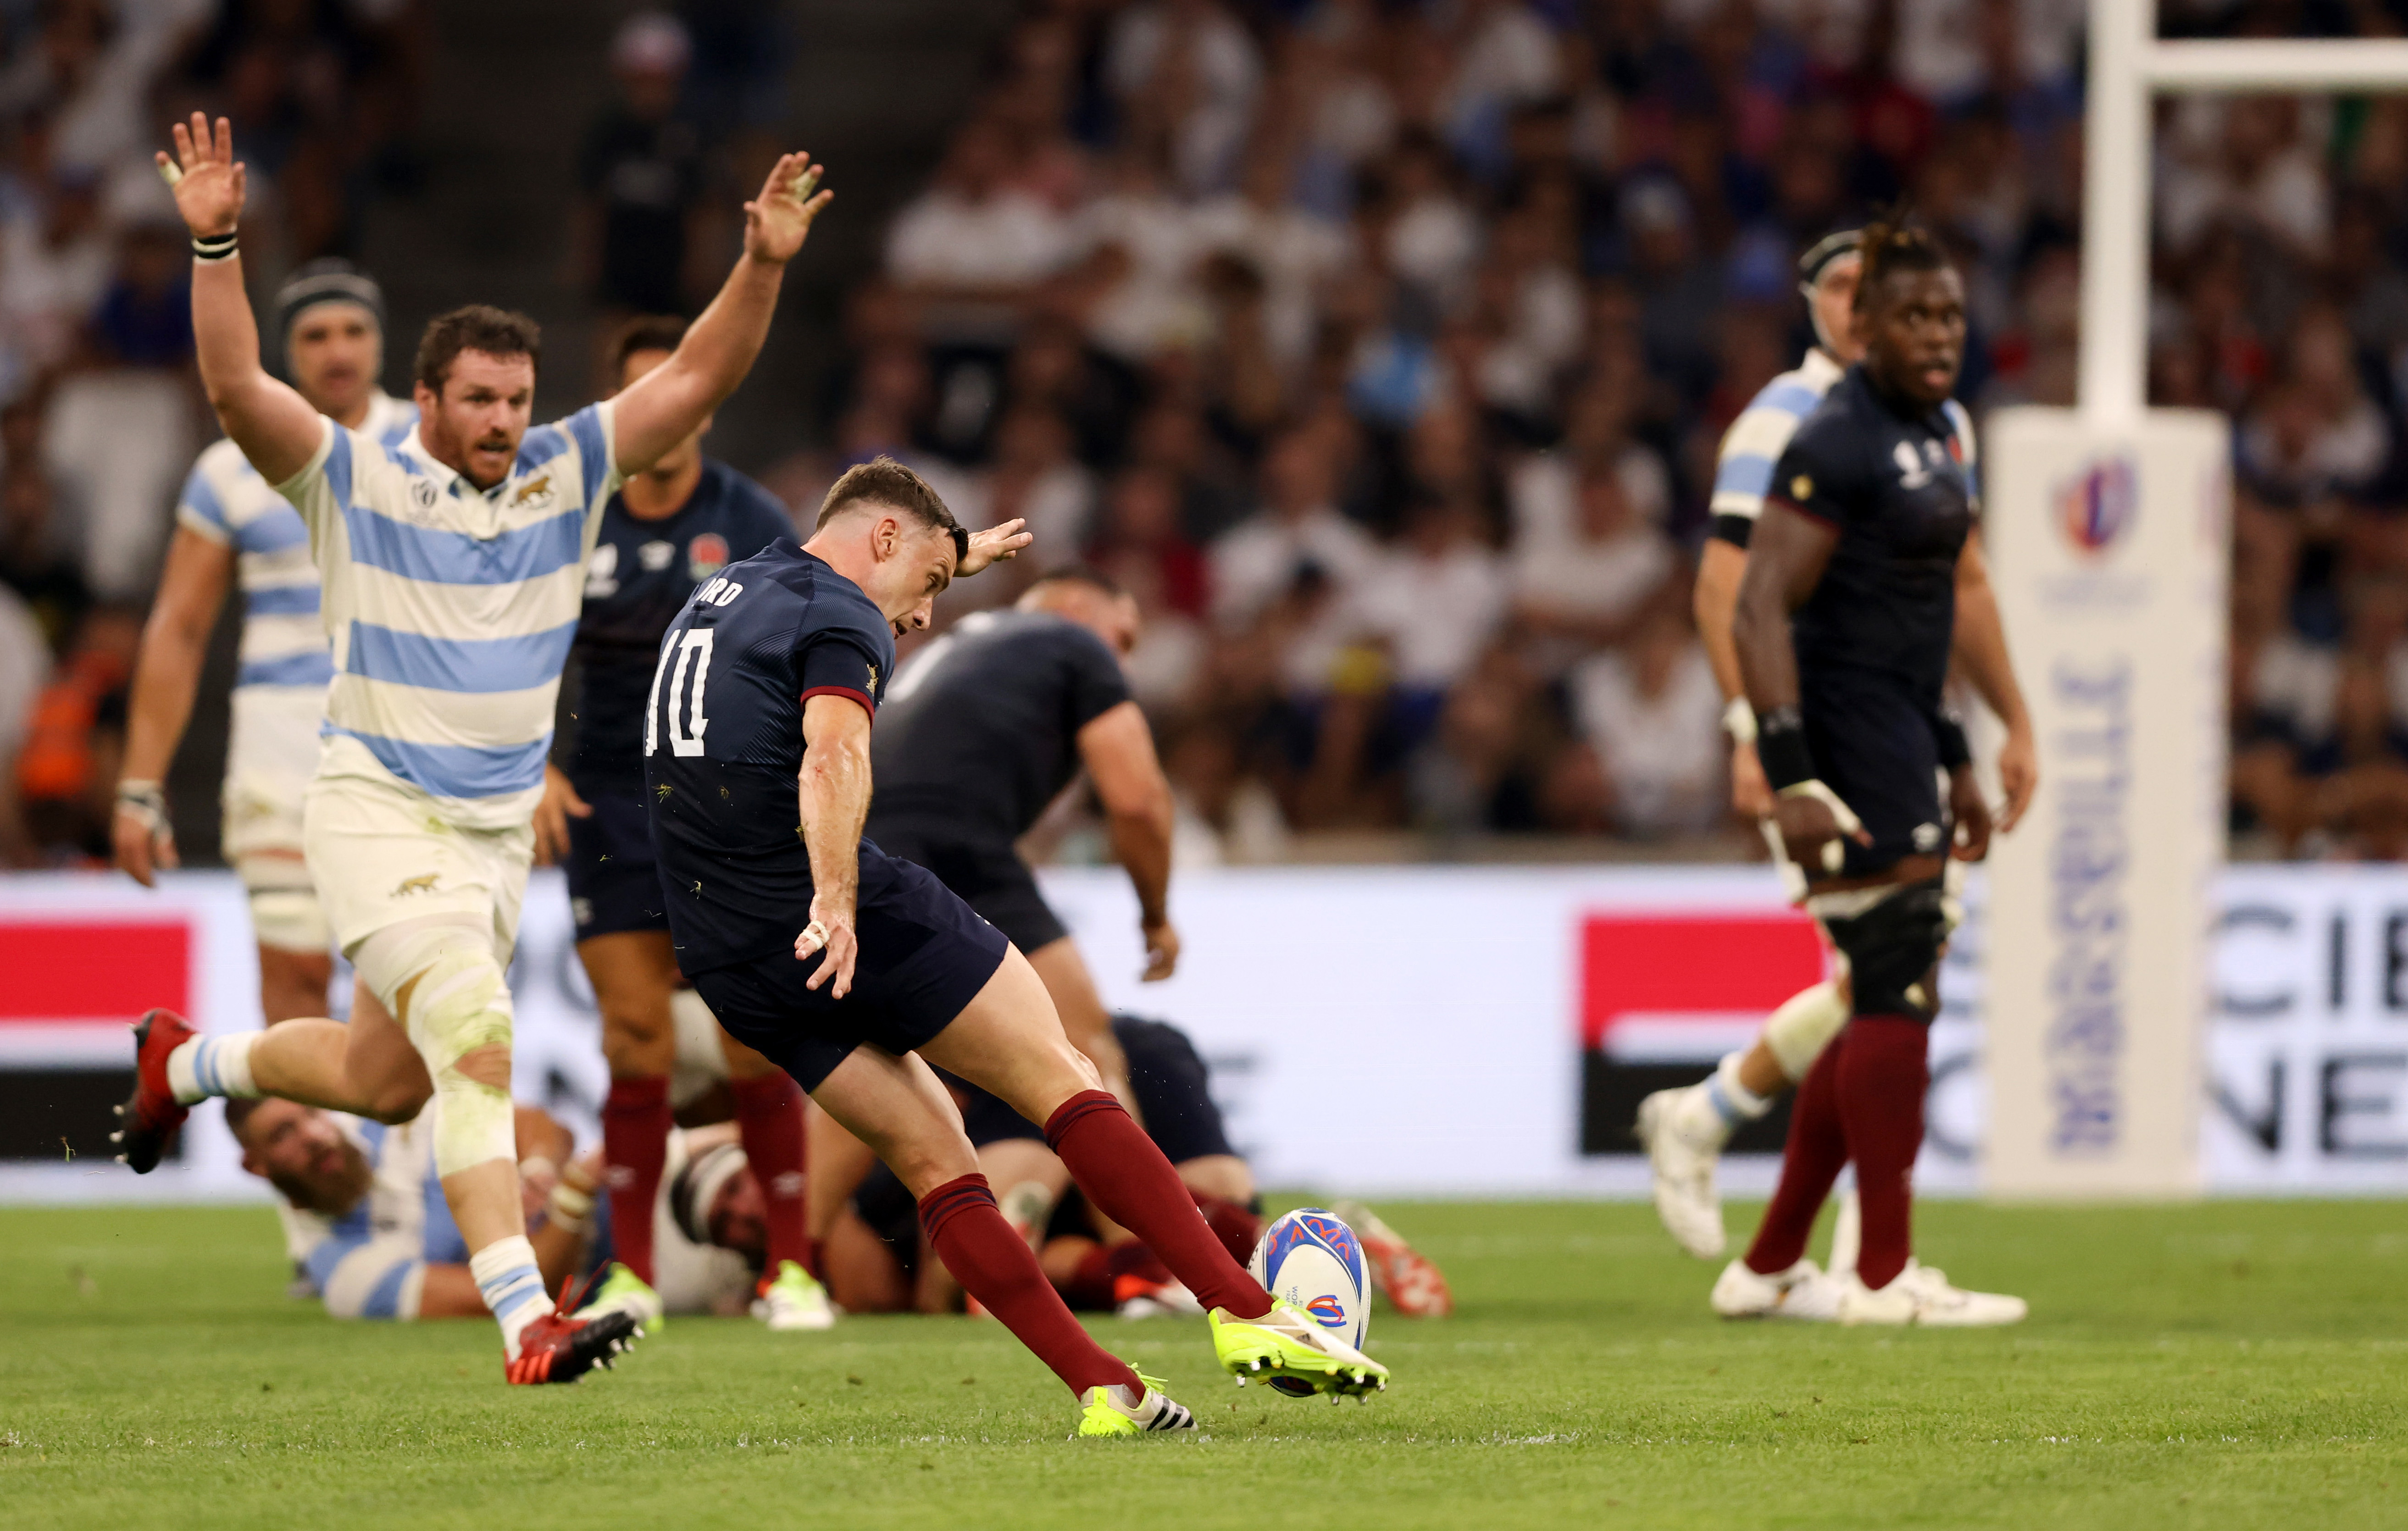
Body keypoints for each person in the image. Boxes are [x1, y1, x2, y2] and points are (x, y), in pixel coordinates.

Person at [112, 114, 833, 1386]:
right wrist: (218, 241)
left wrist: (763, 264)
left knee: (388, 1084)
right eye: (480, 401)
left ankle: (188, 1058)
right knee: (479, 1031)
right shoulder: (353, 478)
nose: (503, 421)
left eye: (516, 398)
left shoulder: (571, 468)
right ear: (429, 403)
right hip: (376, 814)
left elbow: (697, 383)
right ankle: (525, 1322)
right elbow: (234, 389)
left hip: (494, 842)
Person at [644, 456, 1386, 1436]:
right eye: (930, 588)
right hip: (830, 900)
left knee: (937, 1163)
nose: (918, 616)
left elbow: (852, 590)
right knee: (1064, 1074)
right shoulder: (846, 615)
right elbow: (832, 753)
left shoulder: (725, 592)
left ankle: (1103, 1389)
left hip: (728, 954)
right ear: (879, 543)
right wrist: (834, 895)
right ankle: (1250, 1312)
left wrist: (955, 552)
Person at [1634, 230, 2039, 1261]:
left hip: (1900, 721)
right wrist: (1752, 735)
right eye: (1843, 286)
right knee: (1894, 973)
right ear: (1815, 305)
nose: (1863, 303)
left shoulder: (1938, 418)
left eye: (1882, 287)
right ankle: (1867, 1254)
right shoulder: (1786, 418)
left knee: (1890, 974)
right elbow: (1732, 588)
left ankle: (1738, 1168)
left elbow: (1964, 580)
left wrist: (2007, 719)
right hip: (1821, 726)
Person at [525, 315, 819, 1333]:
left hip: (728, 801)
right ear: (622, 412)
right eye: (646, 398)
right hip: (607, 800)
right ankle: (635, 1277)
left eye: (683, 396)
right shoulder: (573, 517)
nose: (669, 417)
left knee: (755, 1034)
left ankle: (792, 1273)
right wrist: (534, 767)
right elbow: (507, 641)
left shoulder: (750, 519)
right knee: (636, 1037)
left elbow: (804, 652)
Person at [114, 261, 413, 1025]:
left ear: (382, 342)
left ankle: (407, 1151)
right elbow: (178, 630)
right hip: (279, 759)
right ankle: (312, 1145)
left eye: (355, 331)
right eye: (316, 335)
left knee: (415, 990)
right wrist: (140, 786)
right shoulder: (229, 468)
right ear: (287, 351)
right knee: (294, 991)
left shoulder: (437, 444)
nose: (338, 350)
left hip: (412, 749)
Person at [865, 566, 1176, 1101]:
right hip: (953, 841)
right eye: (1123, 638)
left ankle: (805, 1190)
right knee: (1086, 1054)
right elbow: (1138, 803)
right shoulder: (1074, 642)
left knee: (891, 1068)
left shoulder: (958, 647)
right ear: (1076, 610)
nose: (1122, 661)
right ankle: (1129, 1190)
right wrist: (1156, 917)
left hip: (858, 847)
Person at [227, 1096, 585, 1322]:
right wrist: (574, 1197)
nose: (314, 1136)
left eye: (311, 1114)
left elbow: (544, 1127)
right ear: (255, 1166)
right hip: (600, 1281)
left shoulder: (393, 1116)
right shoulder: (346, 1274)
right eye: (282, 1134)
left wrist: (540, 1164)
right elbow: (514, 1297)